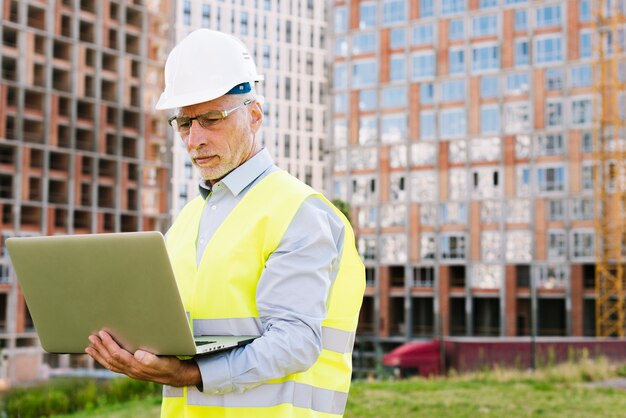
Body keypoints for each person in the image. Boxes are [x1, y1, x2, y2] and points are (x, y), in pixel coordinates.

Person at [85, 29, 365, 418]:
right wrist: (129, 347)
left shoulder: (299, 211)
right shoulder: (186, 222)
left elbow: (296, 342)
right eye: (184, 123)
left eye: (211, 119)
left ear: (254, 115)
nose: (194, 139)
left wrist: (189, 373)